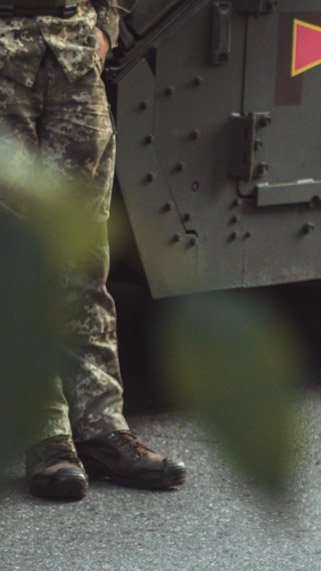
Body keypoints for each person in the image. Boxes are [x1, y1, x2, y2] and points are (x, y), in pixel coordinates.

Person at [1, 0, 185, 500]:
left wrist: (105, 24)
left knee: (83, 259)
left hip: (74, 63)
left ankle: (101, 427)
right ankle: (47, 440)